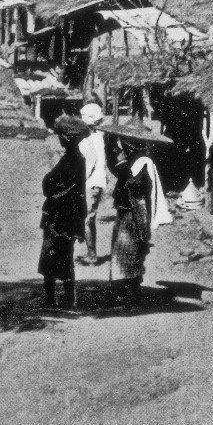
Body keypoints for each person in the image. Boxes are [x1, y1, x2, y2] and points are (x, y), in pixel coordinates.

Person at [109, 136, 170, 305]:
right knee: (125, 250)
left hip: (136, 211)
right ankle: (126, 288)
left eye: (124, 145)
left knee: (132, 248)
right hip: (127, 210)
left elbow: (137, 187)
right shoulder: (132, 161)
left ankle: (131, 289)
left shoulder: (143, 162)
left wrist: (124, 171)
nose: (122, 148)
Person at [40, 115, 91, 309]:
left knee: (51, 257)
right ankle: (68, 298)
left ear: (67, 138)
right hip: (70, 216)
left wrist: (50, 187)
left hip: (60, 216)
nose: (59, 139)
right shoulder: (76, 159)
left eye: (60, 135)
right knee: (65, 257)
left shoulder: (71, 160)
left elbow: (51, 186)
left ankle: (53, 299)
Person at [77, 101, 110, 265]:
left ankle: (91, 254)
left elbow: (89, 162)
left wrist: (79, 179)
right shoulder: (100, 137)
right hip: (99, 182)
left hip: (90, 183)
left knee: (87, 219)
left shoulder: (88, 140)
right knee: (89, 218)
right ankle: (91, 251)